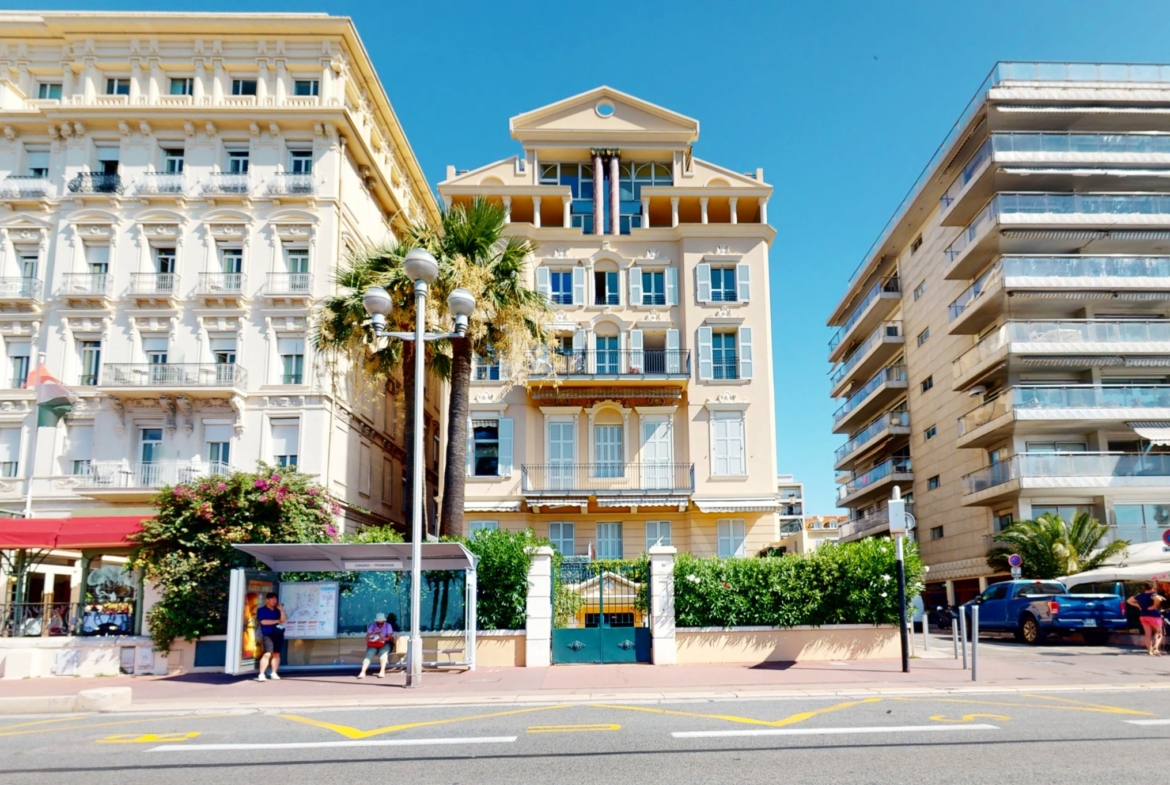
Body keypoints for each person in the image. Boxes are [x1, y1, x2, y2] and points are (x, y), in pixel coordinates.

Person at [1127, 581, 1164, 656]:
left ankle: (1149, 651)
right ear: (1153, 588)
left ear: (1145, 588)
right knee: (1159, 632)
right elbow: (1159, 599)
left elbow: (1129, 600)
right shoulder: (1153, 594)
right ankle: (1155, 648)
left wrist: (1137, 605)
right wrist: (1154, 606)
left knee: (1148, 634)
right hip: (1153, 615)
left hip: (1143, 615)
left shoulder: (1140, 595)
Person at [255, 593, 286, 680]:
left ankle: (274, 673)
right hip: (268, 634)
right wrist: (277, 621)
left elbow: (283, 620)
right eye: (272, 599)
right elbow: (264, 622)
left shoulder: (278, 610)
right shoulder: (261, 610)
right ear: (267, 600)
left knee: (276, 654)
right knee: (267, 654)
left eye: (275, 599)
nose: (274, 601)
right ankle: (261, 674)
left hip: (278, 634)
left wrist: (281, 610)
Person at [358, 612, 395, 679]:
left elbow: (389, 637)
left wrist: (382, 638)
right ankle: (362, 672)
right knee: (369, 653)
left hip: (385, 643)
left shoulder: (388, 625)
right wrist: (374, 632)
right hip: (374, 643)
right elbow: (367, 637)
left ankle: (382, 671)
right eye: (378, 623)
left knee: (383, 653)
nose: (380, 625)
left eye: (381, 623)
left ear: (384, 621)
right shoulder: (372, 626)